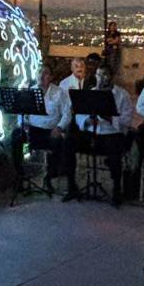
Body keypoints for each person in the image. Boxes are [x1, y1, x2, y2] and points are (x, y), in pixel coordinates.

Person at [75, 63, 134, 207]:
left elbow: (127, 120)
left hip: (111, 133)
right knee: (69, 141)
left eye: (105, 75)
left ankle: (116, 190)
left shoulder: (122, 94)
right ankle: (71, 186)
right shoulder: (91, 92)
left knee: (115, 151)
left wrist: (109, 118)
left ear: (111, 77)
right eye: (98, 75)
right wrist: (87, 120)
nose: (101, 78)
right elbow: (79, 114)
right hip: (92, 132)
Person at [26, 65, 67, 194]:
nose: (41, 76)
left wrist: (59, 127)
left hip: (50, 130)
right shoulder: (30, 91)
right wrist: (23, 124)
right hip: (33, 129)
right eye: (39, 73)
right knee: (16, 137)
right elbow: (22, 113)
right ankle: (20, 175)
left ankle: (49, 177)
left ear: (51, 77)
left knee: (58, 142)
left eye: (45, 73)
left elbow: (67, 114)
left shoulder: (59, 92)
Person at [58, 57, 89, 200]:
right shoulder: (65, 84)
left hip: (90, 121)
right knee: (68, 143)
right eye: (76, 66)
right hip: (73, 122)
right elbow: (64, 107)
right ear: (71, 68)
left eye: (81, 65)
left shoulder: (90, 82)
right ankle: (71, 185)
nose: (79, 68)